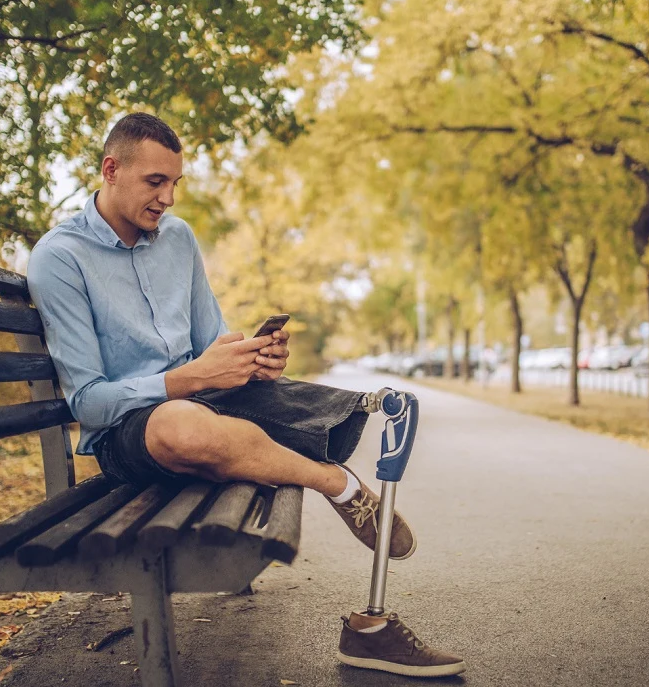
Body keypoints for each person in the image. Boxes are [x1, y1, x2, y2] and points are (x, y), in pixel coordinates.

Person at [27, 112, 465, 677]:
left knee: (367, 405)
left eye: (175, 184)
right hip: (133, 434)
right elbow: (85, 401)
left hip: (211, 408)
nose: (168, 199)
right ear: (111, 170)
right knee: (179, 424)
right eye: (155, 182)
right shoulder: (60, 258)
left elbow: (213, 342)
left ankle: (372, 628)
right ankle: (340, 486)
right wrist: (190, 380)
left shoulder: (178, 240)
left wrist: (253, 361)